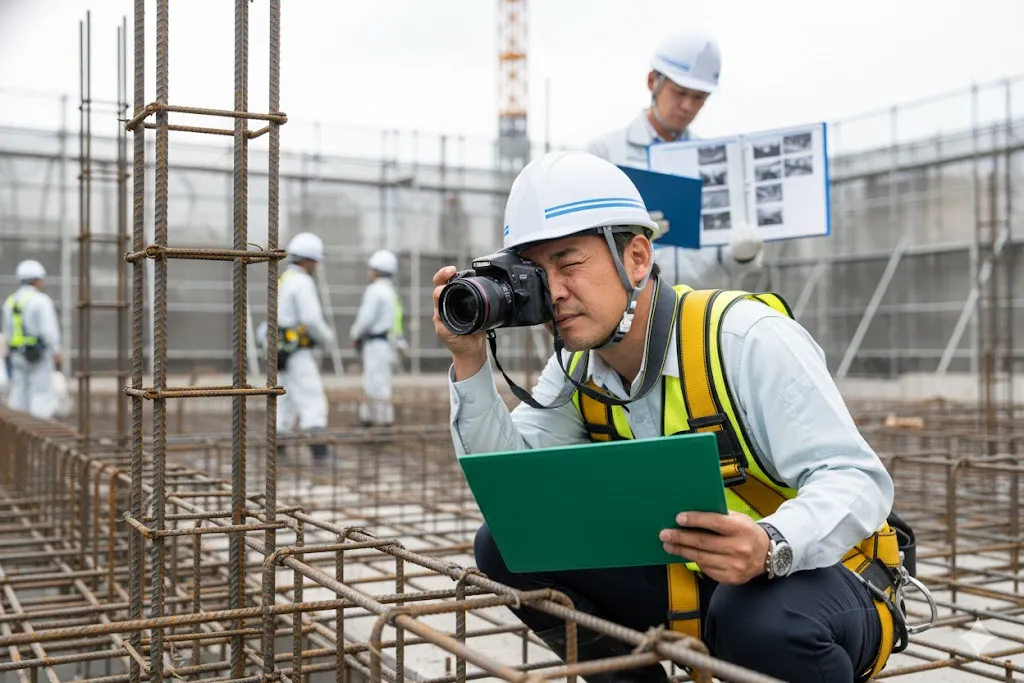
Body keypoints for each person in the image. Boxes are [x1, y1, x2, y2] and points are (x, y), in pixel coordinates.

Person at [432, 151, 906, 683]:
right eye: (537, 274)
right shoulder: (575, 368)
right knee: (506, 545)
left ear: (636, 257)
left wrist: (770, 544)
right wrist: (469, 360)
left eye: (569, 264)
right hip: (697, 577)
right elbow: (513, 494)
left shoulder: (745, 338)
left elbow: (856, 479)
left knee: (757, 619)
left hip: (821, 577)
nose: (555, 292)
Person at [586, 28, 764, 290]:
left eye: (698, 97)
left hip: (701, 310)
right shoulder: (604, 155)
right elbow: (585, 248)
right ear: (652, 82)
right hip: (632, 312)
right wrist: (628, 235)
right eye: (680, 93)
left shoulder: (715, 162)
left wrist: (743, 255)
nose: (688, 107)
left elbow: (726, 264)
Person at [277, 232, 335, 460]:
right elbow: (310, 319)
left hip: (281, 348)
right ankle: (319, 451)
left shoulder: (285, 278)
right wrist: (327, 338)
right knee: (311, 395)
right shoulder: (302, 282)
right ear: (310, 260)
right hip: (297, 349)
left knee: (285, 395)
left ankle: (279, 446)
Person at [2, 259, 63, 420]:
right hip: (39, 356)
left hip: (17, 355)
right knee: (41, 393)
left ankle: (19, 430)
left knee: (19, 392)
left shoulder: (10, 302)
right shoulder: (41, 301)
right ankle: (39, 431)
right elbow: (49, 331)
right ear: (36, 280)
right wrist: (56, 351)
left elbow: (7, 332)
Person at [349, 249, 399, 427]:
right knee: (380, 382)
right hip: (384, 344)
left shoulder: (375, 290)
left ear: (377, 270)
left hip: (375, 345)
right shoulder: (389, 291)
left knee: (375, 383)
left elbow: (366, 318)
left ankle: (380, 422)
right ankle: (373, 419)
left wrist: (355, 334)